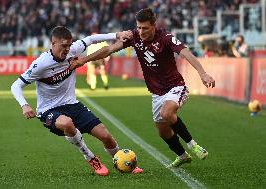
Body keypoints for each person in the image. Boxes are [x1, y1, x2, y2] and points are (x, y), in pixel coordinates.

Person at [70, 8, 216, 167]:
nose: (140, 31)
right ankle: (182, 155)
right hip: (156, 92)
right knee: (163, 130)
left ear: (154, 25)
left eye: (144, 28)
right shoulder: (134, 37)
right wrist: (84, 59)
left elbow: (186, 53)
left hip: (175, 86)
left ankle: (192, 144)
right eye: (138, 27)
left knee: (167, 113)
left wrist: (202, 73)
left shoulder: (165, 37)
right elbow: (109, 49)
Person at [11, 26, 143, 176]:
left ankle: (121, 161)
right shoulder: (41, 64)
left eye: (69, 45)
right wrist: (25, 105)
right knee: (67, 123)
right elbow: (16, 85)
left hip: (73, 105)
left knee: (106, 136)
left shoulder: (73, 50)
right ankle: (91, 158)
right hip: (48, 110)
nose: (67, 49)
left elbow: (91, 39)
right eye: (63, 46)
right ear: (53, 44)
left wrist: (116, 34)